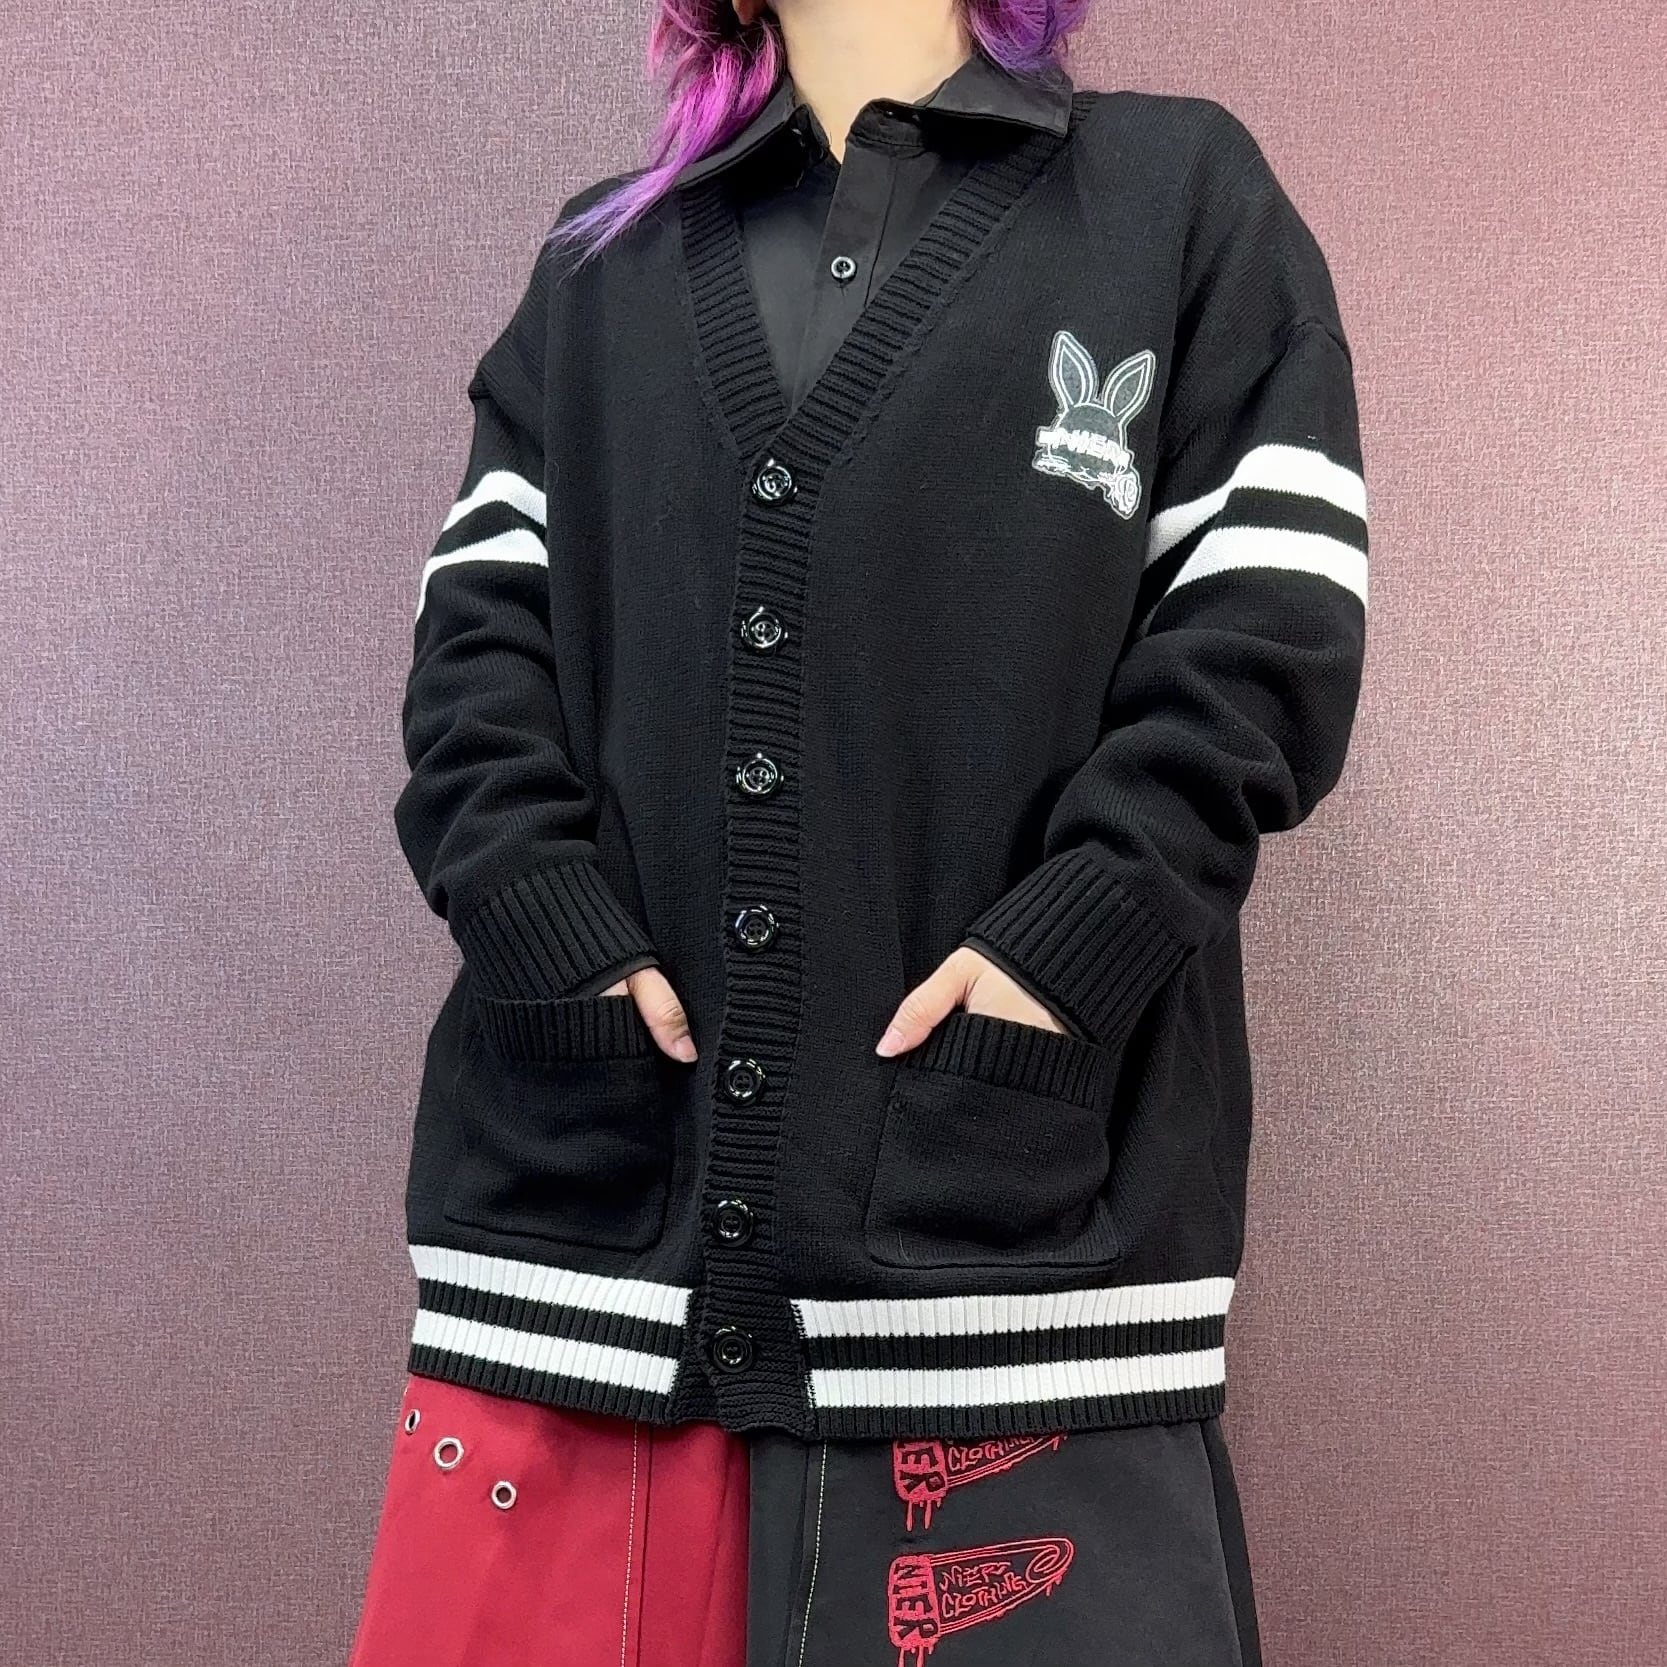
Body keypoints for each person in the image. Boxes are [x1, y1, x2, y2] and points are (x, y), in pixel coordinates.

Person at [348, 1, 1369, 1663]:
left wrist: (1066, 954)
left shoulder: (1177, 201)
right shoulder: (598, 267)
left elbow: (1268, 637)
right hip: (592, 1290)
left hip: (1010, 1294)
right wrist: (549, 933)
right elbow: (472, 669)